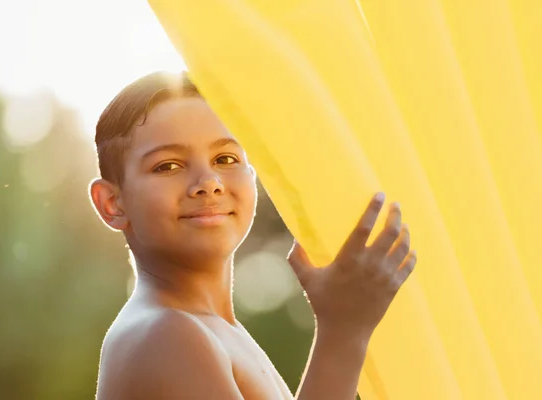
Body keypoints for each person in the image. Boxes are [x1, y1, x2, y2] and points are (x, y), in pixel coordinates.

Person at [89, 71, 416, 400]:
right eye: (168, 166)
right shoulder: (164, 335)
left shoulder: (215, 330)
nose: (209, 181)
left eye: (225, 158)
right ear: (112, 203)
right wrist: (344, 329)